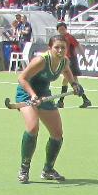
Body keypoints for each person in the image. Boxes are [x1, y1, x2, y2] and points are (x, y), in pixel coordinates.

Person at [14, 34, 83, 184]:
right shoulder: (41, 61)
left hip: (44, 93)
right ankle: (24, 169)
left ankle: (48, 170)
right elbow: (22, 78)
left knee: (57, 133)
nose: (60, 50)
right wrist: (33, 95)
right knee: (33, 128)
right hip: (26, 92)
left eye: (63, 47)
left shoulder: (64, 61)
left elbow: (67, 71)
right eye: (56, 47)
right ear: (50, 48)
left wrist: (74, 85)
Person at [55, 21, 92, 108]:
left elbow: (78, 46)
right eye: (60, 30)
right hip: (65, 61)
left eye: (63, 29)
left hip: (71, 61)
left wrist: (84, 58)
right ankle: (62, 101)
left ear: (66, 29)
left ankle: (62, 101)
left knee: (72, 80)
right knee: (68, 81)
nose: (61, 31)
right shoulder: (59, 39)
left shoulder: (69, 37)